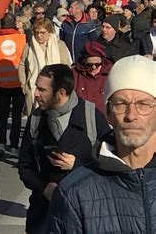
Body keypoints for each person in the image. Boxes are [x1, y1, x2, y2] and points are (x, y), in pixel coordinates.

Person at [48, 55, 156, 233]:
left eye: (144, 104)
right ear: (108, 112)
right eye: (120, 104)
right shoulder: (74, 193)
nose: (131, 115)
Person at [18, 64, 110, 233]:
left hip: (84, 214)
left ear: (60, 93)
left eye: (42, 90)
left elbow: (110, 161)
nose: (36, 94)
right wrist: (44, 188)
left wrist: (77, 165)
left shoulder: (90, 115)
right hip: (43, 216)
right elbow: (24, 166)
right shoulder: (36, 119)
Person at [19, 19, 71, 118]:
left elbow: (66, 66)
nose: (39, 36)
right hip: (34, 89)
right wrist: (24, 86)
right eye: (36, 33)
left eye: (42, 33)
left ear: (49, 32)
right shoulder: (29, 46)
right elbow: (22, 66)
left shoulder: (59, 45)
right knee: (34, 120)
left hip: (55, 88)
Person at [0, 13, 26, 158]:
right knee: (16, 116)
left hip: (2, 82)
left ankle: (0, 143)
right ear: (14, 24)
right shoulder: (22, 39)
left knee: (3, 115)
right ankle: (14, 146)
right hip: (18, 82)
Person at [72, 41, 112, 113]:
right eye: (89, 65)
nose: (93, 67)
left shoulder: (110, 75)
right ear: (84, 62)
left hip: (104, 120)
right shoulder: (75, 74)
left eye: (97, 64)